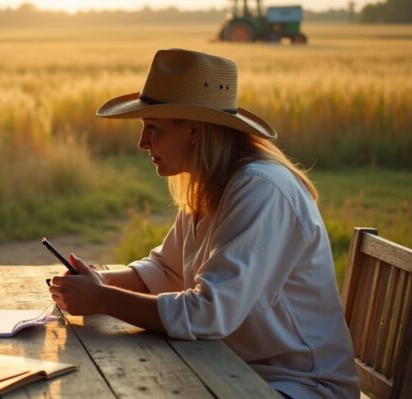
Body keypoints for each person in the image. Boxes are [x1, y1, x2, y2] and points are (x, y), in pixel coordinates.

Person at [48, 49, 360, 398]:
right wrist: (99, 281)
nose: (142, 143)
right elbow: (166, 270)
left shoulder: (261, 190)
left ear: (194, 130)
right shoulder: (212, 184)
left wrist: (102, 299)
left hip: (298, 385)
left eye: (153, 128)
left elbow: (208, 313)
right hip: (233, 370)